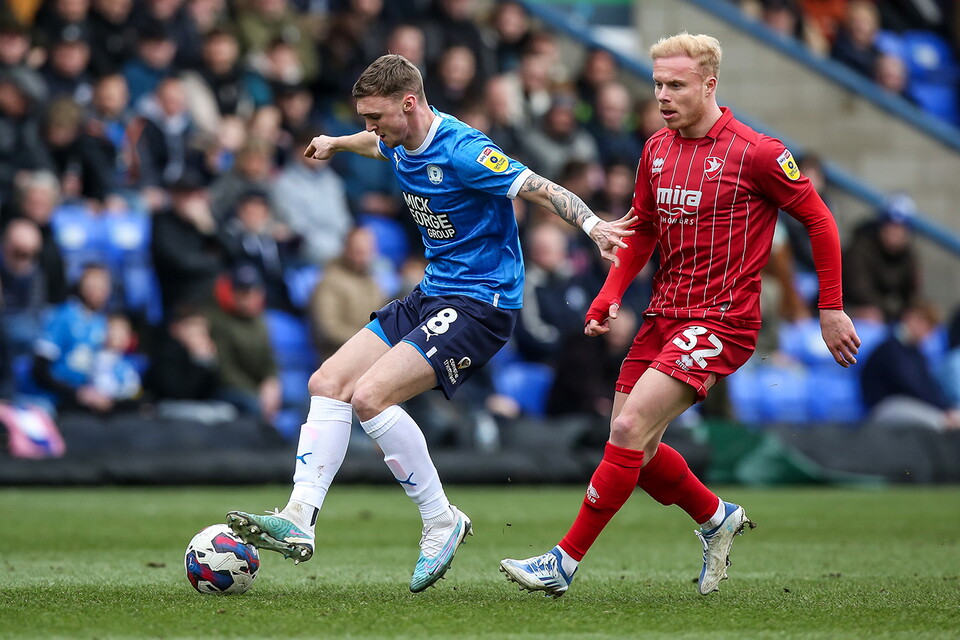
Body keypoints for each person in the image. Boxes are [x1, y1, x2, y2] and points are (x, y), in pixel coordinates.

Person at [225, 53, 634, 593]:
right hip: (434, 293)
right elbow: (378, 143)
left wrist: (592, 224)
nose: (370, 128)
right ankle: (300, 515)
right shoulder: (393, 137)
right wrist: (337, 142)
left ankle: (441, 520)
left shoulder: (465, 151)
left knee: (370, 397)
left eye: (375, 117)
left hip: (481, 303)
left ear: (409, 104)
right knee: (326, 383)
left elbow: (537, 187)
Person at [499, 33, 860, 598]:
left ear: (709, 84)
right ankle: (716, 517)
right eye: (658, 84)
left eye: (676, 85)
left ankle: (561, 563)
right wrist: (609, 292)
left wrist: (831, 307)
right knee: (633, 452)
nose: (663, 95)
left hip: (722, 321)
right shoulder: (657, 149)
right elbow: (640, 229)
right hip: (664, 313)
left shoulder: (757, 153)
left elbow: (820, 220)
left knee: (624, 428)